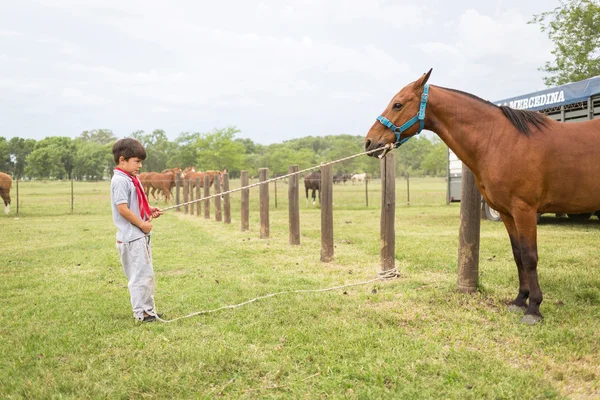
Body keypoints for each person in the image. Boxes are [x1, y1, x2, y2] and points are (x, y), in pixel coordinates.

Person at [111, 138, 163, 322]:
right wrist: (142, 224)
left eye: (141, 162)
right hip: (131, 237)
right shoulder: (119, 180)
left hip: (139, 236)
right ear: (122, 160)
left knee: (146, 274)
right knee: (138, 276)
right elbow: (123, 208)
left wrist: (148, 211)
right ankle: (141, 313)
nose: (140, 166)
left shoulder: (131, 178)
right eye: (137, 161)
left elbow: (135, 203)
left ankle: (149, 310)